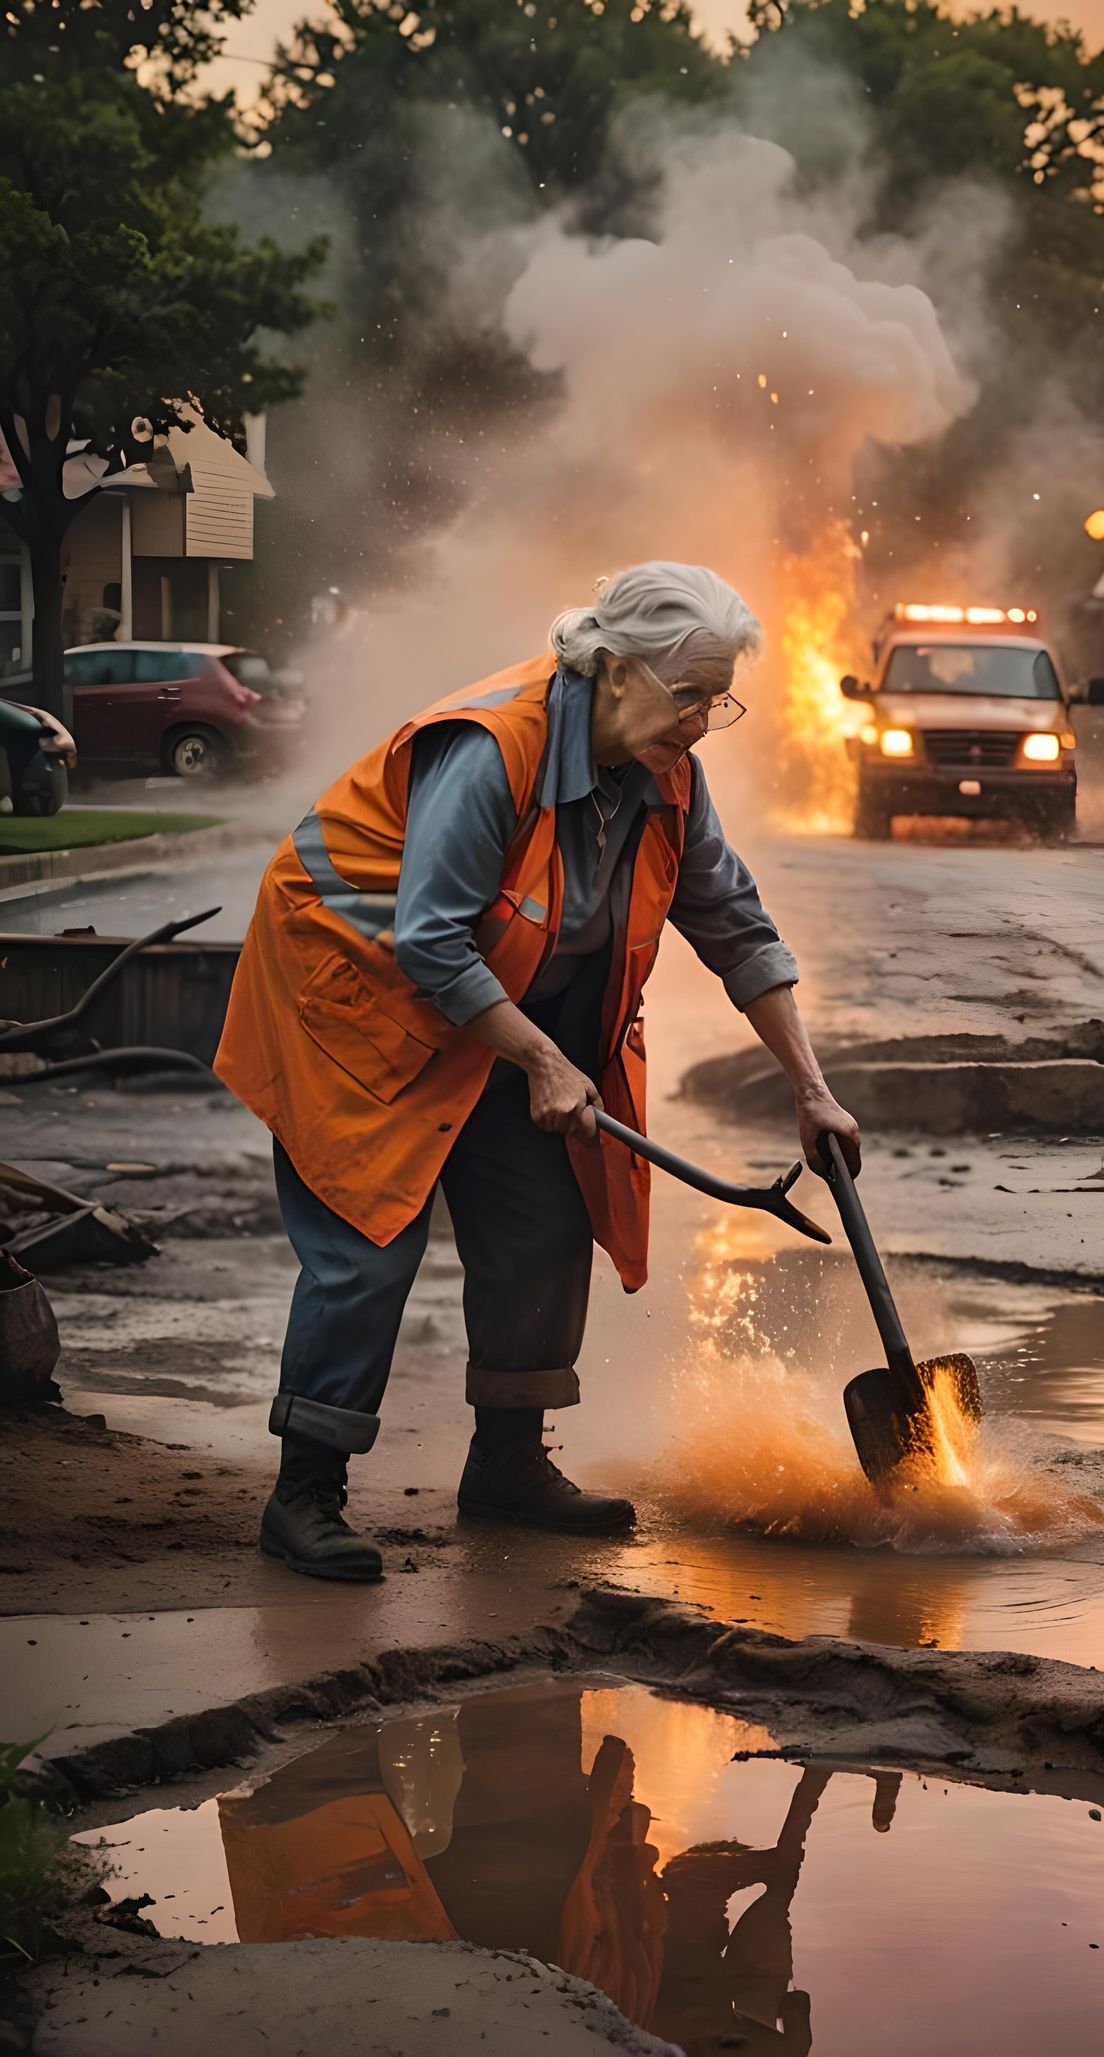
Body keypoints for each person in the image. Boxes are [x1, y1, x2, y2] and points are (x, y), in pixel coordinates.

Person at [215, 562, 859, 1581]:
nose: (700, 720)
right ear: (608, 666)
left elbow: (734, 924)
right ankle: (306, 1493)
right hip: (357, 1002)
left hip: (503, 1014)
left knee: (546, 1220)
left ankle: (508, 1463)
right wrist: (544, 1057)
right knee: (366, 1241)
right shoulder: (491, 749)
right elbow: (430, 942)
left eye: (716, 699)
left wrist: (809, 1085)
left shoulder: (666, 774)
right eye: (685, 692)